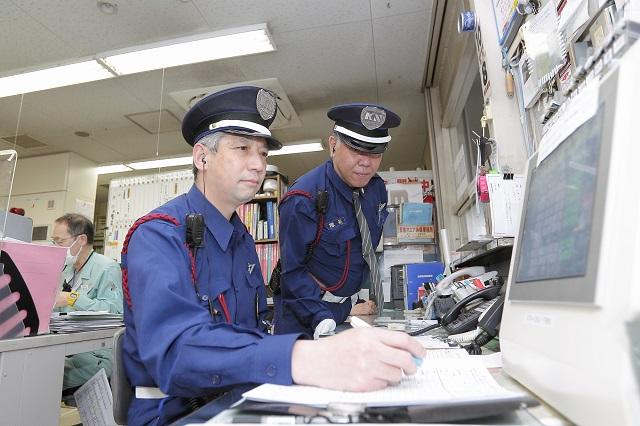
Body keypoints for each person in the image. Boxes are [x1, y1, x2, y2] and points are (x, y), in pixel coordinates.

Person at [122, 86, 424, 426]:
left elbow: (253, 329)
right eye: (242, 149)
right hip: (179, 413)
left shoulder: (241, 239)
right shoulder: (158, 235)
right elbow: (176, 352)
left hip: (243, 399)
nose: (258, 164)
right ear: (201, 157)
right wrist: (305, 358)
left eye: (263, 153)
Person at [273, 103, 399, 338]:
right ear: (333, 145)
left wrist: (351, 307)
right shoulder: (303, 198)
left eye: (375, 153)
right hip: (306, 313)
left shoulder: (376, 190)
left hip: (349, 310)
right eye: (356, 150)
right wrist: (321, 316)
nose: (366, 162)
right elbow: (292, 271)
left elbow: (364, 253)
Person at [51, 213, 123, 390]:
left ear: (81, 239)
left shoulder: (107, 268)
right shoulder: (65, 269)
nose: (55, 247)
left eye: (59, 242)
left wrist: (72, 298)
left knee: (44, 376)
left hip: (95, 352)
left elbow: (114, 311)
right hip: (65, 346)